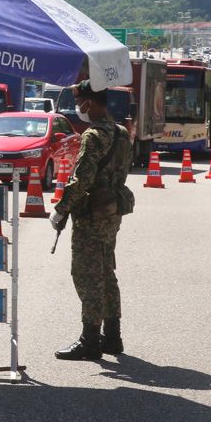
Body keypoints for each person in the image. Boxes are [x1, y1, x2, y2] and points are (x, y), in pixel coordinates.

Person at [50, 80, 134, 361]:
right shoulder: (121, 132)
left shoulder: (94, 135)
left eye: (80, 102)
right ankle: (112, 336)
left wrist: (61, 209)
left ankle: (90, 340)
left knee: (87, 275)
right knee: (107, 272)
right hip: (112, 211)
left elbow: (82, 178)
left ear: (90, 103)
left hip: (92, 214)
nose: (78, 108)